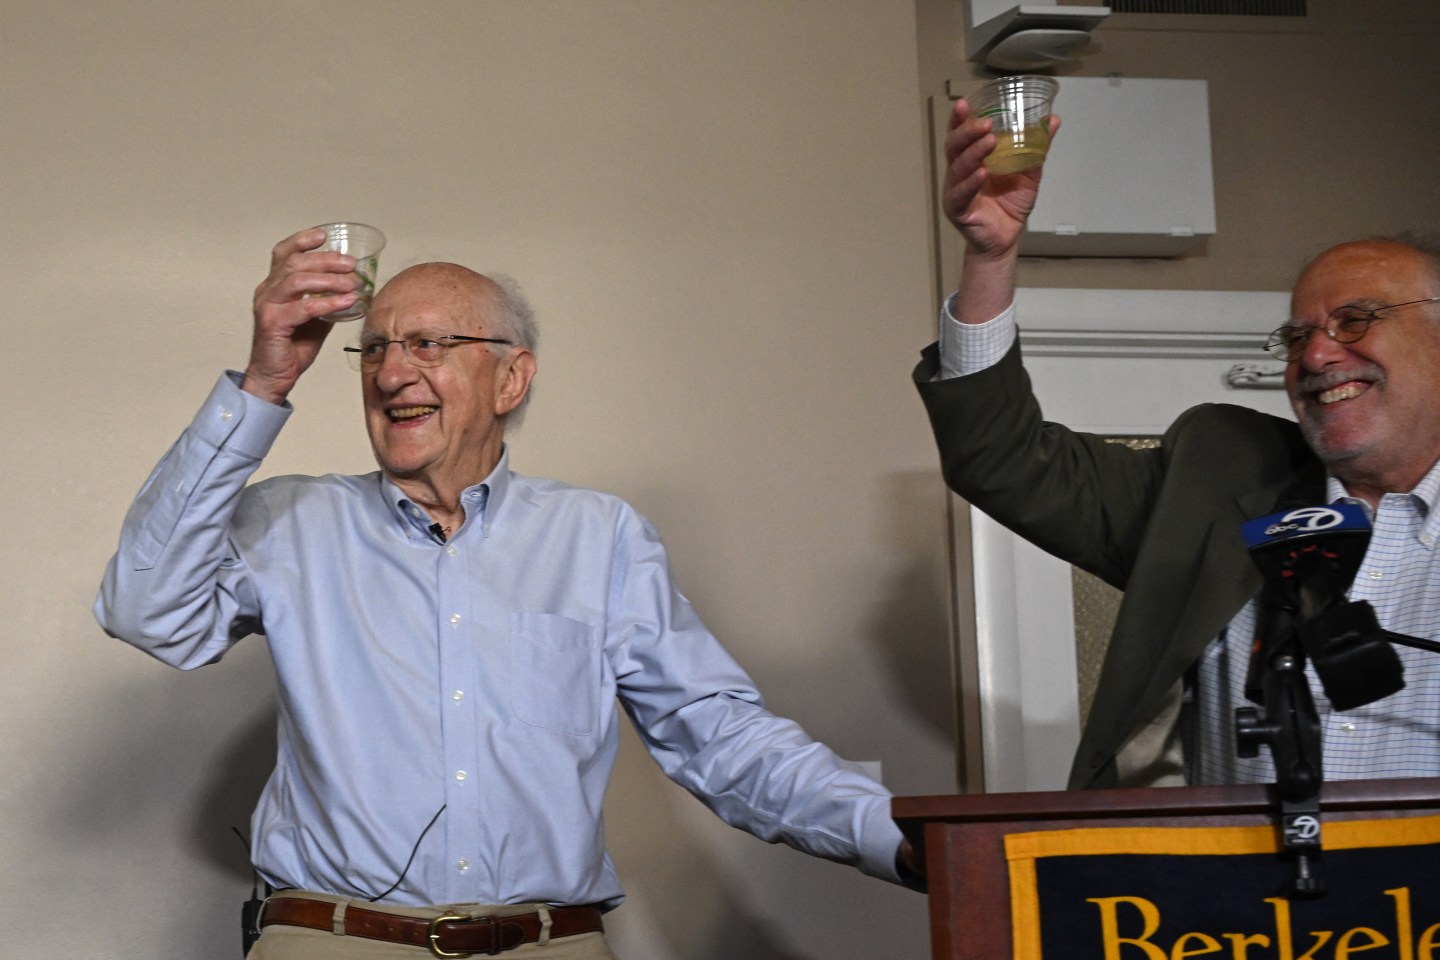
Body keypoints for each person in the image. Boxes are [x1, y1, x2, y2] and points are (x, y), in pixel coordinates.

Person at [96, 229, 918, 959]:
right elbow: (145, 611)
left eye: (428, 343)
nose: (391, 372)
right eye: (374, 347)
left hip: (548, 944)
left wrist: (906, 838)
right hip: (335, 942)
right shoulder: (292, 520)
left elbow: (721, 739)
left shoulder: (600, 538)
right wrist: (265, 383)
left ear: (511, 379)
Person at [915, 98, 1440, 792]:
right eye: (1295, 336)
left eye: (1354, 321)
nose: (1315, 355)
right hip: (1228, 898)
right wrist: (992, 255)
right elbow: (1001, 459)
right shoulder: (1218, 482)